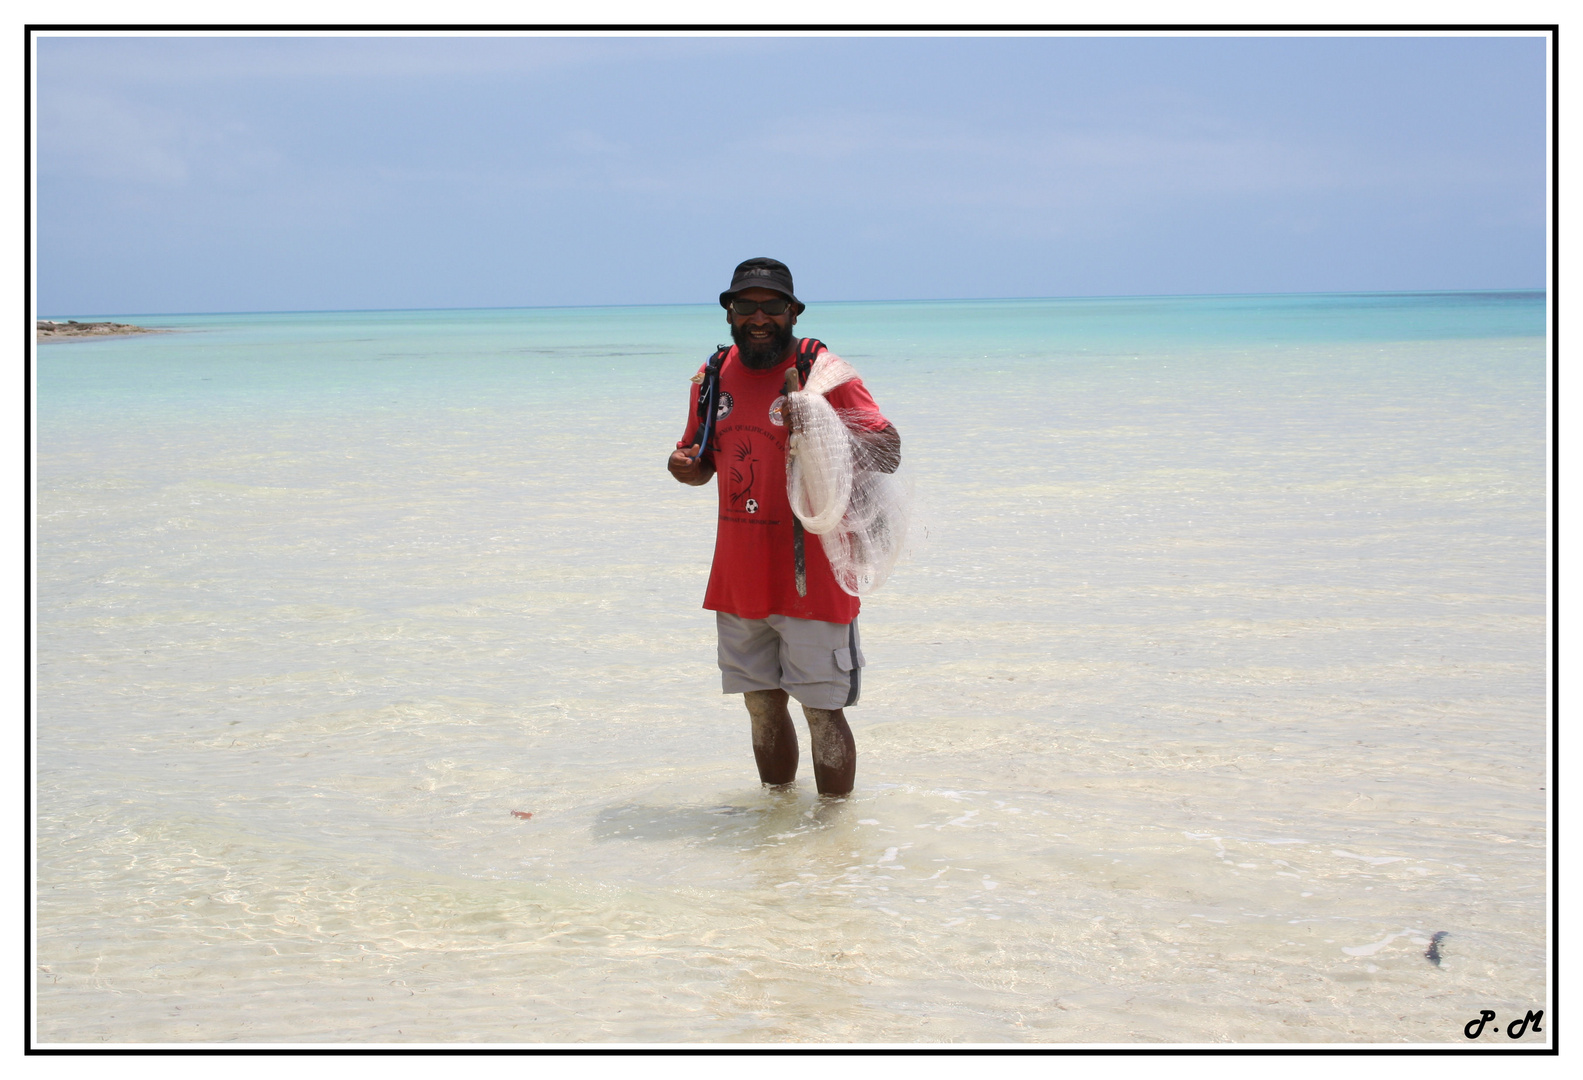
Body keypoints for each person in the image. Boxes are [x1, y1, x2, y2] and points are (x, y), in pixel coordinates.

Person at [667, 258, 900, 797]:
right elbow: (699, 461)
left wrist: (819, 420)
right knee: (761, 707)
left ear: (793, 311)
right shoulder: (711, 377)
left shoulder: (827, 376)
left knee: (823, 713)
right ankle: (777, 835)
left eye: (771, 305)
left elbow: (889, 453)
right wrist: (683, 467)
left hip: (813, 577)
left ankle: (835, 842)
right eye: (744, 305)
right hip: (738, 578)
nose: (758, 317)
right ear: (728, 311)